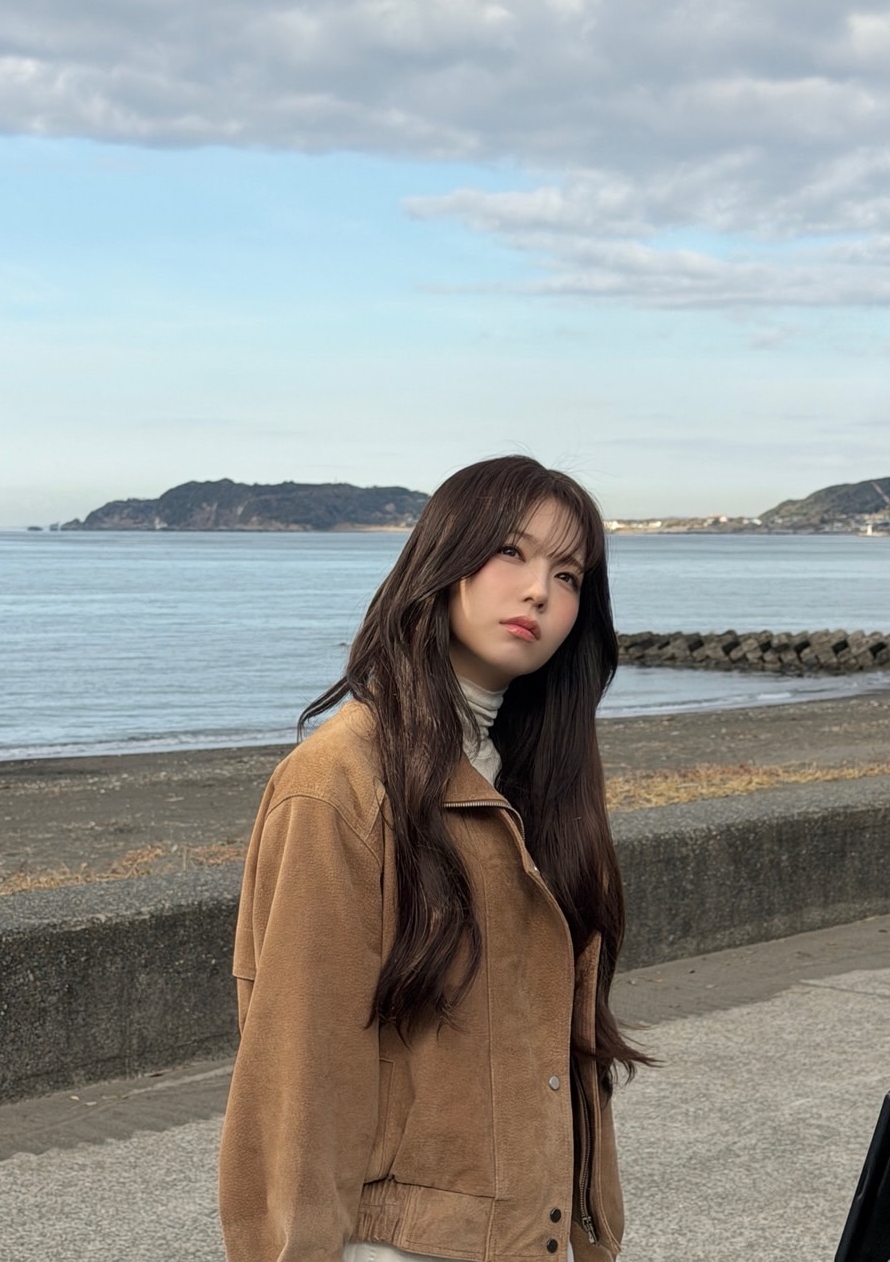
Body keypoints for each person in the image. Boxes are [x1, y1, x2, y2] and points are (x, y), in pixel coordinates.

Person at [218, 455, 649, 1262]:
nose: (539, 591)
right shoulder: (338, 783)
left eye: (568, 574)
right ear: (446, 559)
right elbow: (298, 1072)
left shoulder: (537, 781)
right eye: (512, 552)